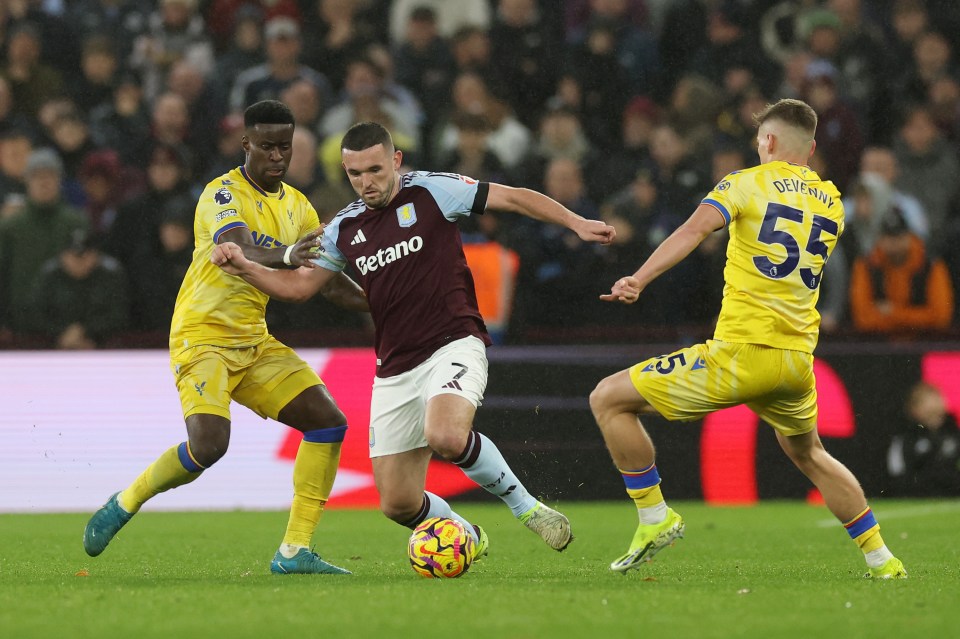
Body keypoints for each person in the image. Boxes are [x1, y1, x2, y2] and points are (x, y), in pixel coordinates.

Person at [212, 121, 616, 559]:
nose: (367, 182)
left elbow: (514, 197)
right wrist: (247, 267)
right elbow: (301, 288)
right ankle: (467, 535)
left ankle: (528, 509)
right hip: (394, 366)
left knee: (444, 434)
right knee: (398, 503)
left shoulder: (433, 191)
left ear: (396, 161)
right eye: (355, 174)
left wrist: (576, 222)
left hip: (453, 341)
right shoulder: (344, 227)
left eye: (375, 170)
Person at [588, 98, 906, 579]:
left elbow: (694, 230)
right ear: (813, 148)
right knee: (810, 453)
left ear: (769, 142)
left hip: (742, 351)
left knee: (608, 399)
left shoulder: (743, 183)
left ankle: (654, 517)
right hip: (797, 362)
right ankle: (882, 559)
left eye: (760, 140)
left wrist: (640, 277)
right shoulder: (832, 201)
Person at [83, 100, 369, 575]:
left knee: (328, 422)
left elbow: (328, 281)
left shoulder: (298, 206)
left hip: (253, 342)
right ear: (246, 144)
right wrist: (290, 253)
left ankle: (294, 551)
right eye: (266, 146)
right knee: (209, 446)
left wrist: (384, 301)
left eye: (285, 146)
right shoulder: (221, 194)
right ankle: (126, 500)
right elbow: (239, 243)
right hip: (202, 336)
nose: (277, 156)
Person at [887, 381, 960, 496]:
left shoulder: (955, 435)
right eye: (929, 411)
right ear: (913, 409)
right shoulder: (906, 440)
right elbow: (898, 475)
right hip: (918, 498)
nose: (935, 409)